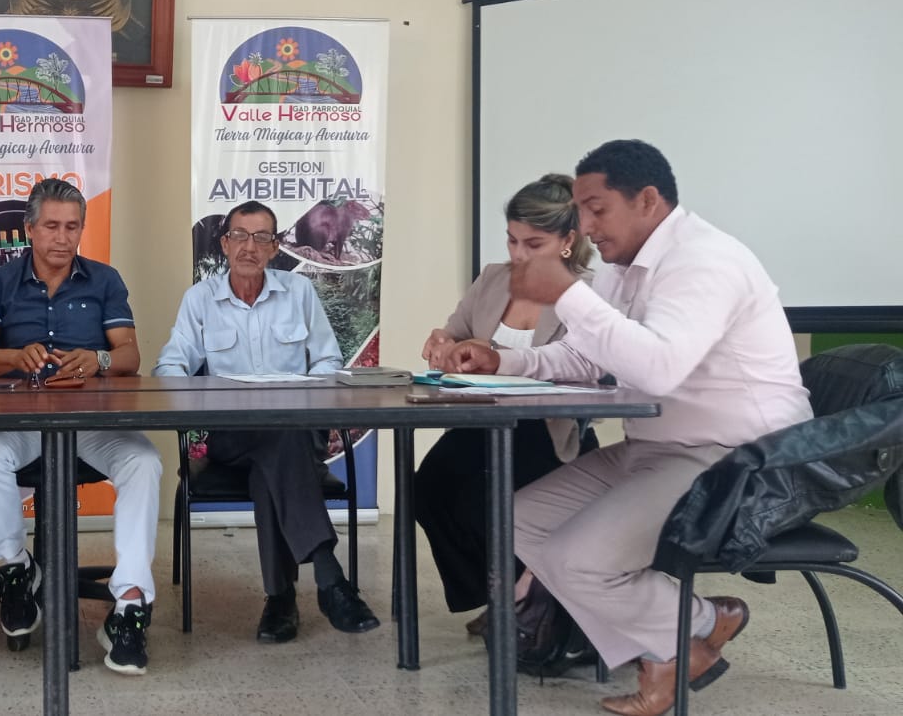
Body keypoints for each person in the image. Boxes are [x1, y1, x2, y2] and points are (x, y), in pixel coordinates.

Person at [441, 140, 812, 715]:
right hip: (658, 446)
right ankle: (683, 640)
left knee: (577, 560)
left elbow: (658, 368)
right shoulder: (623, 269)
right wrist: (505, 360)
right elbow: (586, 358)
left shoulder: (704, 261)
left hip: (740, 457)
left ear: (647, 200)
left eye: (597, 210)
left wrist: (568, 293)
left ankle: (691, 632)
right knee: (516, 519)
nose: (587, 226)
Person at [0, 178, 162, 675]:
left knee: (144, 460)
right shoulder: (1, 281)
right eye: (51, 226)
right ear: (29, 229)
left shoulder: (104, 280)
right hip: (21, 419)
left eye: (72, 227)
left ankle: (129, 605)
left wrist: (98, 359)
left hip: (90, 420)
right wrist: (14, 356)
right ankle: (15, 569)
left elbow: (130, 356)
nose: (62, 237)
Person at [154, 200, 378, 644]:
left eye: (261, 238)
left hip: (296, 433)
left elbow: (328, 362)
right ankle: (329, 579)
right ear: (224, 244)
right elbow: (170, 366)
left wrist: (305, 394)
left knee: (274, 457)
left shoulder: (299, 293)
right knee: (277, 447)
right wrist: (196, 395)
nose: (249, 247)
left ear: (276, 247)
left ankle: (281, 600)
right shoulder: (200, 300)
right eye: (240, 236)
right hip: (231, 437)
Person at [413, 174, 598, 633]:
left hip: (548, 429)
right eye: (512, 240)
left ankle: (526, 603)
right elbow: (456, 331)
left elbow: (581, 368)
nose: (518, 254)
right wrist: (442, 341)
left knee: (488, 500)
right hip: (484, 419)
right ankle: (500, 597)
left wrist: (493, 354)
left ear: (567, 241)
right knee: (430, 488)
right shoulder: (494, 278)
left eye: (533, 244)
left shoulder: (589, 293)